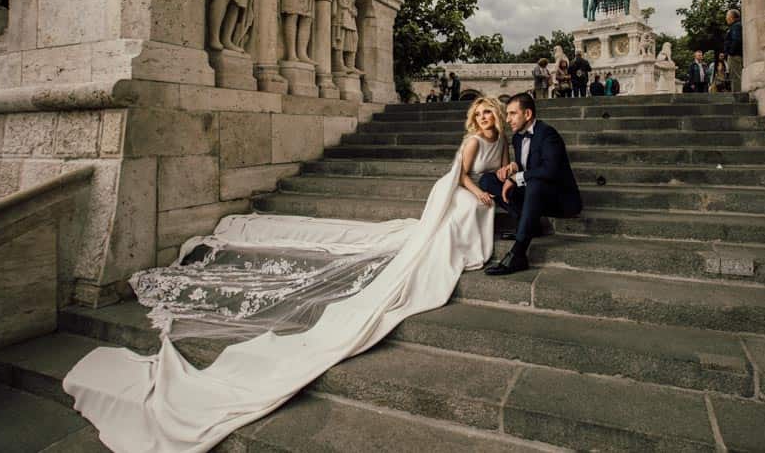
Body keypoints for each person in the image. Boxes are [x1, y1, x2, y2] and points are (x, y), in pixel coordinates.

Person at [64, 97, 512, 450]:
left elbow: (496, 168)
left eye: (490, 112)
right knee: (463, 211)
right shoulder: (472, 141)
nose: (486, 117)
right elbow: (460, 176)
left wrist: (506, 173)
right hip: (452, 192)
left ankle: (467, 243)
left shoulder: (500, 141)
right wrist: (480, 190)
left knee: (472, 211)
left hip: (473, 193)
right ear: (474, 118)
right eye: (481, 113)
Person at [479, 93, 582, 275]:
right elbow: (529, 164)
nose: (508, 119)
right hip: (534, 193)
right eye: (507, 114)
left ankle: (518, 254)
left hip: (560, 200)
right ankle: (528, 225)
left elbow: (549, 170)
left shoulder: (548, 134)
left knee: (534, 183)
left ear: (527, 114)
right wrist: (513, 168)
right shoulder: (518, 137)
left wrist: (515, 178)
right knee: (487, 180)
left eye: (512, 114)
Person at [724, 8, 743, 93]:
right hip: (735, 54)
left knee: (735, 76)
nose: (726, 18)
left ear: (732, 17)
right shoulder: (735, 26)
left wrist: (731, 52)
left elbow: (736, 40)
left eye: (727, 16)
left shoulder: (736, 26)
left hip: (734, 55)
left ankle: (737, 95)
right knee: (735, 76)